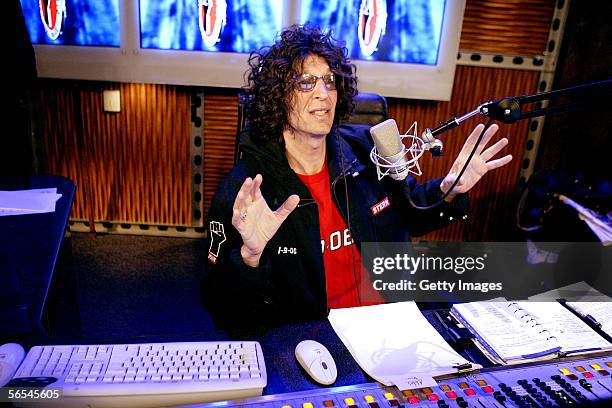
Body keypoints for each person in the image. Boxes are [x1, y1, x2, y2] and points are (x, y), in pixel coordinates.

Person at [201, 24, 512, 327]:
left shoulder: (367, 147)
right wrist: (249, 258)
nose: (323, 94)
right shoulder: (245, 192)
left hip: (395, 317)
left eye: (329, 81)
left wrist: (449, 189)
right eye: (306, 82)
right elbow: (229, 314)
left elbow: (412, 212)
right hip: (322, 339)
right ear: (279, 96)